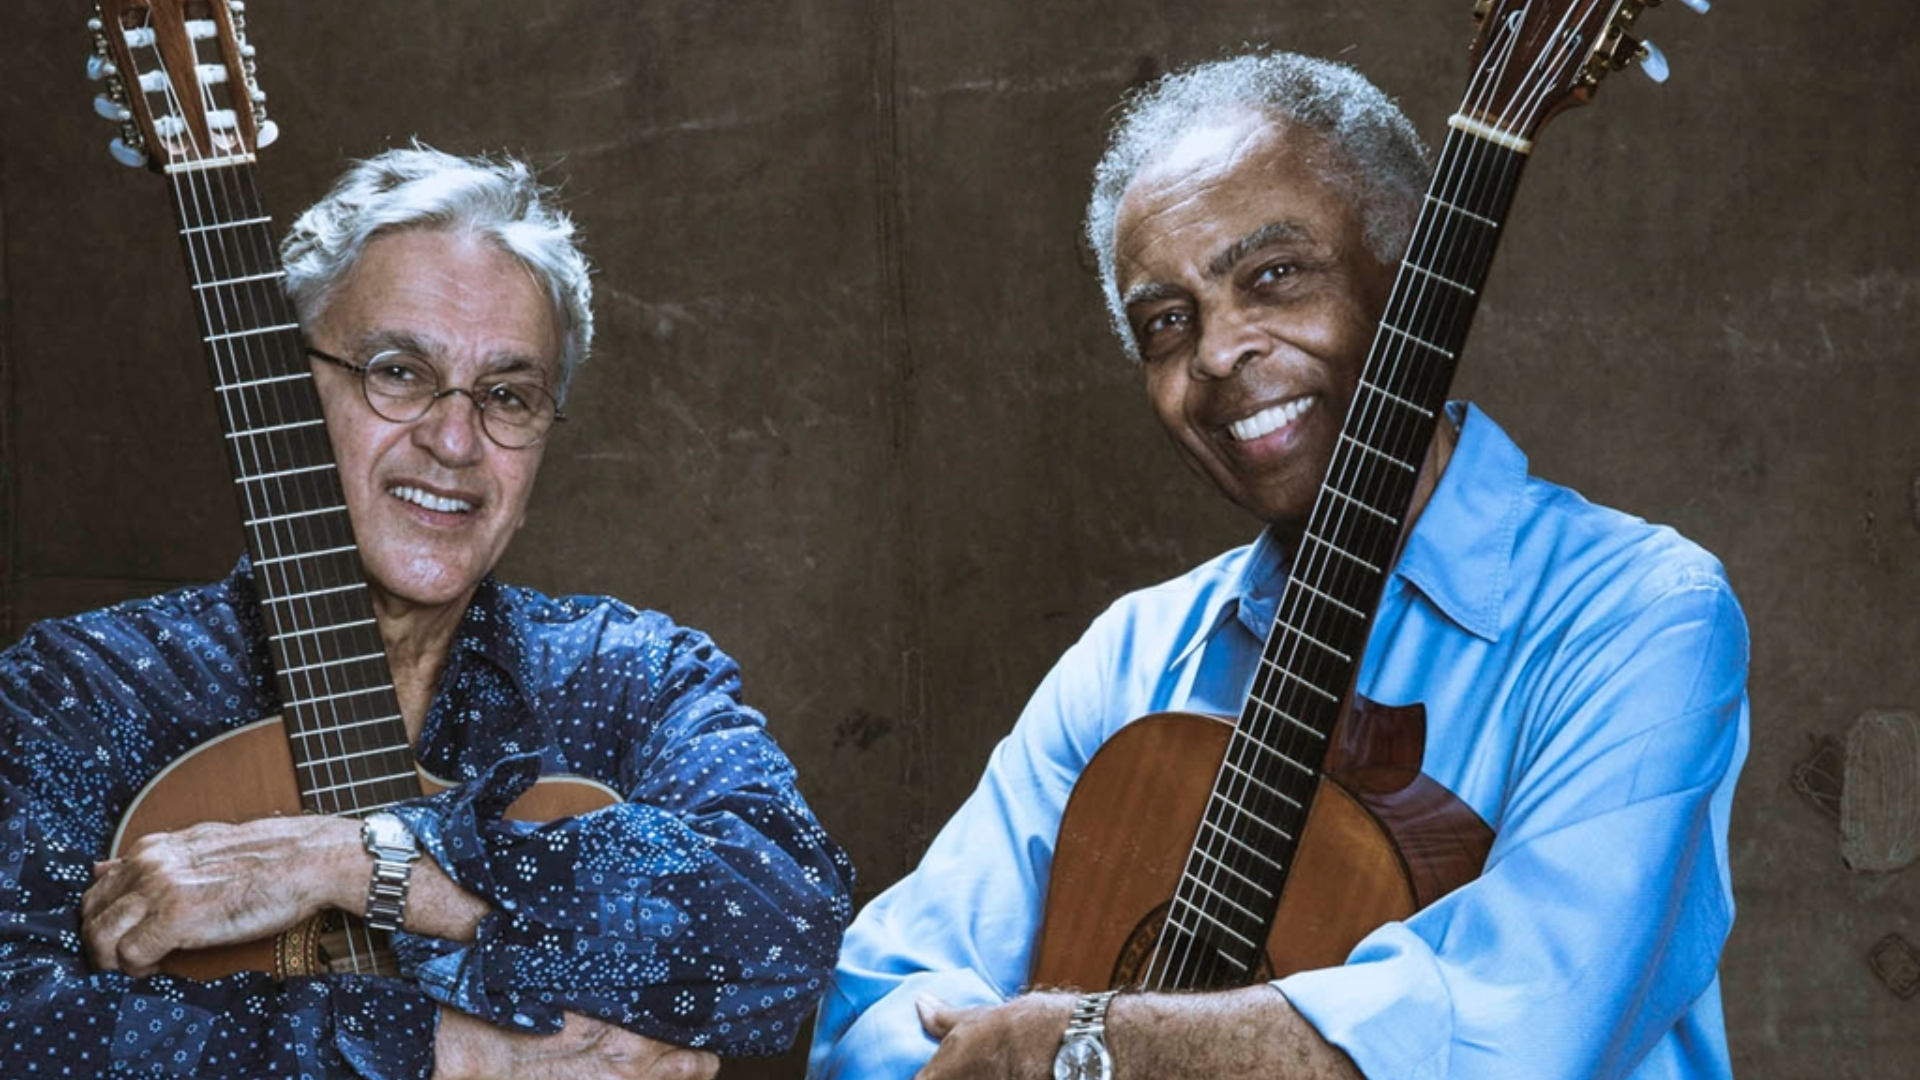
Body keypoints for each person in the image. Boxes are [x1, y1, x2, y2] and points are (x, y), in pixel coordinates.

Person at [808, 51, 1748, 1080]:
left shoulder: (1641, 616)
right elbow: (873, 1005)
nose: (1215, 353)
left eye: (1274, 276)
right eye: (1166, 322)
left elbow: (1510, 1037)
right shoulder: (1131, 659)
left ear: (1410, 285)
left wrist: (1090, 1044)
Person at [0, 146, 854, 1080]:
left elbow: (784, 942)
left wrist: (355, 864)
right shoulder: (81, 692)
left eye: (507, 397)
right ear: (290, 396)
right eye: (398, 372)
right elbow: (19, 1026)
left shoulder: (634, 677)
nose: (453, 442)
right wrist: (451, 1052)